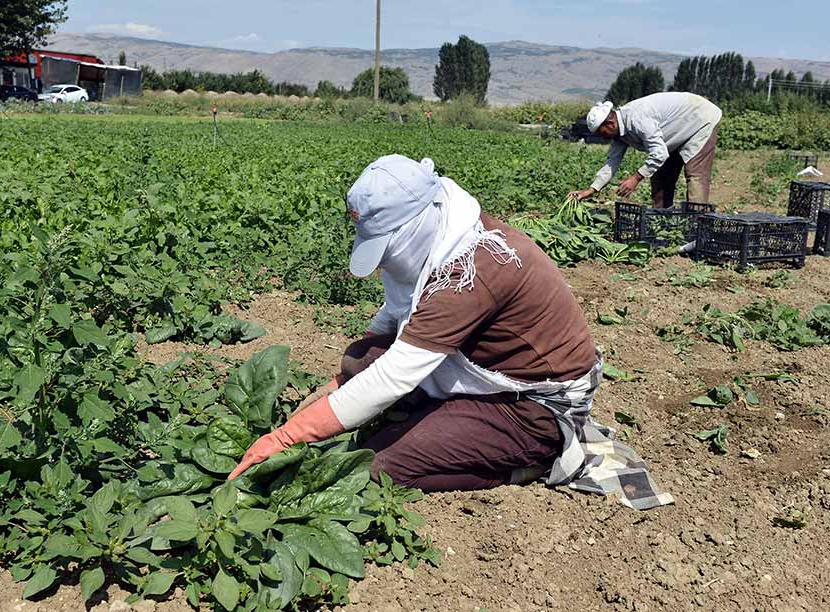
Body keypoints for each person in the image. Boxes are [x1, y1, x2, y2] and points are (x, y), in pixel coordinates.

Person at [229, 155, 671, 510]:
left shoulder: (470, 270)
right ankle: (439, 415)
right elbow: (391, 319)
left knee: (379, 464)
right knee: (361, 359)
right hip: (486, 369)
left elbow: (395, 374)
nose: (384, 263)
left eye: (386, 249)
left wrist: (288, 435)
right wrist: (345, 381)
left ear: (414, 226)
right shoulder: (443, 234)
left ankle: (526, 462)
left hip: (529, 406)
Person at [570, 92, 722, 208]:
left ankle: (698, 231)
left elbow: (659, 153)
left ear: (610, 123)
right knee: (660, 178)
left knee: (695, 175)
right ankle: (662, 225)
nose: (603, 138)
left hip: (700, 119)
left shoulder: (637, 118)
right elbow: (612, 163)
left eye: (601, 133)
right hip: (674, 132)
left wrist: (636, 178)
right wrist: (590, 190)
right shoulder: (618, 133)